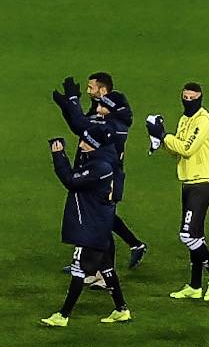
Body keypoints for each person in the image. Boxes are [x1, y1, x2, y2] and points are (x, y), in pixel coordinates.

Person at [53, 72, 147, 271]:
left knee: (102, 222)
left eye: (91, 87)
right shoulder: (101, 112)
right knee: (99, 218)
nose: (87, 91)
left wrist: (71, 101)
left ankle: (104, 272)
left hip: (106, 176)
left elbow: (83, 126)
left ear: (102, 90)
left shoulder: (113, 122)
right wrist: (66, 108)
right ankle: (120, 252)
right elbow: (80, 127)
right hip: (94, 171)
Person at [41, 129, 130, 327]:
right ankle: (121, 309)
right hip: (100, 224)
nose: (81, 146)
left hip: (90, 227)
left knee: (78, 271)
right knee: (106, 268)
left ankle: (63, 316)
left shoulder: (99, 167)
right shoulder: (100, 163)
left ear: (95, 145)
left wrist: (58, 156)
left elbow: (71, 181)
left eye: (85, 143)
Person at [144, 83, 209, 301]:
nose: (188, 101)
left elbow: (187, 148)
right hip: (188, 181)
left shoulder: (203, 121)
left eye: (192, 98)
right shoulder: (184, 120)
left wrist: (164, 135)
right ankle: (195, 285)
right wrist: (162, 140)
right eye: (185, 97)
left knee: (187, 235)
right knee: (196, 235)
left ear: (199, 98)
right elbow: (176, 150)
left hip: (203, 182)